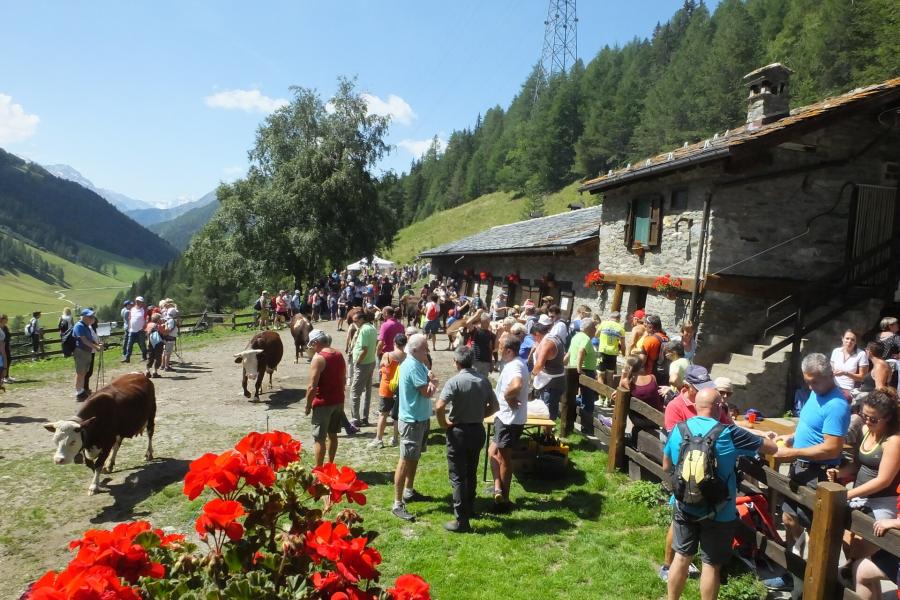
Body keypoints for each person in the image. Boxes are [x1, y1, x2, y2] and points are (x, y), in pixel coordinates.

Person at [663, 387, 777, 600]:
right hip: (720, 511)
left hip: (685, 506)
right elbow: (771, 448)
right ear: (718, 407)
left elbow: (666, 465)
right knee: (711, 565)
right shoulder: (730, 433)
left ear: (696, 406)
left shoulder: (679, 429)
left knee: (681, 557)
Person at [774, 353, 851, 547]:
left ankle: (807, 568)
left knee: (814, 526)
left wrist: (792, 453)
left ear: (830, 375)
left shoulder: (836, 406)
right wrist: (792, 437)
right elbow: (810, 424)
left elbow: (832, 449)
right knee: (788, 518)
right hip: (802, 467)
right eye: (808, 381)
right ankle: (796, 562)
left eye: (814, 382)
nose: (810, 387)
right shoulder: (817, 393)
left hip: (818, 475)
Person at [828, 389, 900, 560]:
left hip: (880, 502)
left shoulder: (893, 441)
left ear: (887, 418)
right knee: (845, 543)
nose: (867, 421)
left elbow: (883, 480)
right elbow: (857, 465)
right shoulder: (864, 430)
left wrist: (847, 494)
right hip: (858, 497)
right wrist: (840, 472)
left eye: (873, 419)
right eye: (863, 415)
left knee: (858, 553)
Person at [435, 345, 495, 532]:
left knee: (458, 476)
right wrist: (479, 415)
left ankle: (461, 520)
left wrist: (444, 424)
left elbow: (439, 406)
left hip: (458, 431)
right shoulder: (483, 380)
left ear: (456, 362)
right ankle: (470, 508)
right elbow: (495, 406)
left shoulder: (454, 382)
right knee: (471, 470)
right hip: (477, 430)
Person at [392, 333, 437, 522]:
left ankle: (409, 491)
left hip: (419, 418)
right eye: (425, 348)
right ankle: (397, 503)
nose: (428, 350)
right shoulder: (413, 366)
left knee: (414, 457)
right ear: (415, 350)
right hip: (412, 421)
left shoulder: (416, 363)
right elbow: (426, 393)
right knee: (405, 459)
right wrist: (433, 381)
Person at [490, 337, 529, 512]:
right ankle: (497, 488)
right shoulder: (515, 363)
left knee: (504, 458)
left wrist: (507, 396)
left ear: (509, 351)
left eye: (500, 347)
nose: (498, 350)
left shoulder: (515, 366)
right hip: (505, 417)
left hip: (509, 420)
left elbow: (517, 384)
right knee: (493, 452)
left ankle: (504, 500)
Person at [305, 330, 347, 467]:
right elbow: (343, 378)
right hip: (338, 400)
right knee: (333, 435)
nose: (311, 347)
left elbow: (312, 386)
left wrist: (308, 405)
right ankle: (330, 465)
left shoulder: (318, 358)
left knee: (319, 438)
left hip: (323, 403)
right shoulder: (339, 354)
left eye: (312, 343)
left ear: (316, 342)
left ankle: (319, 469)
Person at [369, 333, 407, 450]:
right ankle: (395, 439)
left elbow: (381, 366)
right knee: (397, 415)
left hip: (386, 388)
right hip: (400, 389)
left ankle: (379, 439)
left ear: (394, 343)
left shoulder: (388, 355)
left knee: (383, 414)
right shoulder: (407, 356)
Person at [564, 318, 599, 436]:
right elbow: (580, 352)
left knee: (572, 397)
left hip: (572, 370)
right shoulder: (585, 338)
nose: (596, 330)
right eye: (594, 327)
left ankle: (570, 422)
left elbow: (568, 353)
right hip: (585, 371)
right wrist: (580, 369)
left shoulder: (576, 336)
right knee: (589, 399)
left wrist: (563, 365)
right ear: (589, 328)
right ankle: (586, 426)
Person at [531, 316, 567, 428]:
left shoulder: (548, 343)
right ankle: (545, 433)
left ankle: (547, 435)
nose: (534, 340)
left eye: (534, 337)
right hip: (554, 379)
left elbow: (540, 364)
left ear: (537, 334)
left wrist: (532, 375)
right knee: (547, 407)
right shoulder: (555, 337)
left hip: (551, 382)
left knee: (548, 410)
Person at [349, 310, 377, 427]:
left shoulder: (364, 330)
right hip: (370, 362)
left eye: (355, 321)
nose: (354, 323)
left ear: (361, 320)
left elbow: (364, 349)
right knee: (367, 391)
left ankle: (355, 419)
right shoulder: (372, 328)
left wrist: (357, 362)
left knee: (355, 392)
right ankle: (364, 417)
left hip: (363, 363)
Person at [72, 309, 103, 400]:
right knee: (80, 372)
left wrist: (97, 345)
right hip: (81, 351)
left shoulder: (86, 326)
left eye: (92, 316)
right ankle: (79, 392)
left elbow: (90, 339)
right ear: (84, 317)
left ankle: (81, 391)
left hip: (86, 351)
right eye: (90, 317)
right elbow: (84, 340)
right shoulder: (79, 326)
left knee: (84, 372)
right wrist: (96, 347)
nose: (92, 318)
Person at [831, 329, 869, 394]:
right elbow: (831, 370)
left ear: (856, 342)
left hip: (847, 390)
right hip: (832, 386)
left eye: (852, 339)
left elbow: (862, 378)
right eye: (847, 338)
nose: (849, 341)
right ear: (842, 339)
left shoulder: (861, 354)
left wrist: (845, 373)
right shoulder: (836, 351)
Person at [462, 309, 494, 377]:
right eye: (486, 321)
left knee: (483, 381)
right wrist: (477, 314)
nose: (488, 323)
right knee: (474, 379)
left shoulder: (490, 333)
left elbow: (490, 349)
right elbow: (468, 323)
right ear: (481, 321)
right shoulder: (475, 330)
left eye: (489, 321)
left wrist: (491, 363)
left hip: (486, 362)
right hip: (476, 361)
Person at [597, 311, 626, 386]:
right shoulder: (621, 328)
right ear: (619, 319)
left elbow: (596, 334)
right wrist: (623, 353)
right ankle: (608, 397)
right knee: (610, 377)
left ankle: (601, 396)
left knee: (600, 376)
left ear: (610, 317)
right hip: (613, 355)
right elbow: (623, 345)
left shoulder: (604, 324)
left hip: (602, 352)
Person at [639, 314, 669, 378]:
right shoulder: (667, 339)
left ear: (651, 327)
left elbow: (642, 360)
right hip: (665, 373)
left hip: (650, 374)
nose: (645, 326)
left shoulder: (649, 340)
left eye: (646, 325)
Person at [121, 296, 148, 363]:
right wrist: (130, 327)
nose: (140, 303)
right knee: (129, 344)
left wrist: (144, 328)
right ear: (136, 301)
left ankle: (144, 357)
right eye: (138, 301)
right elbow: (130, 318)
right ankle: (127, 358)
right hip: (132, 330)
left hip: (140, 330)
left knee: (142, 344)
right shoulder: (132, 309)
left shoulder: (144, 310)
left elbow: (146, 319)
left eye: (141, 302)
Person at [144, 313, 164, 378]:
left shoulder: (149, 324)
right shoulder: (158, 326)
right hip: (158, 343)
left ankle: (147, 371)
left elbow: (146, 332)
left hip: (149, 342)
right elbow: (163, 332)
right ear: (158, 319)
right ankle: (155, 372)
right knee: (158, 357)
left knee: (150, 356)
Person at [0, 314, 11, 384]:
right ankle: (3, 377)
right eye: (6, 319)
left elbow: (8, 337)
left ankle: (6, 376)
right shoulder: (0, 328)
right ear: (2, 319)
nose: (7, 320)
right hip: (2, 347)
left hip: (6, 346)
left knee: (9, 360)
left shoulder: (5, 328)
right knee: (2, 362)